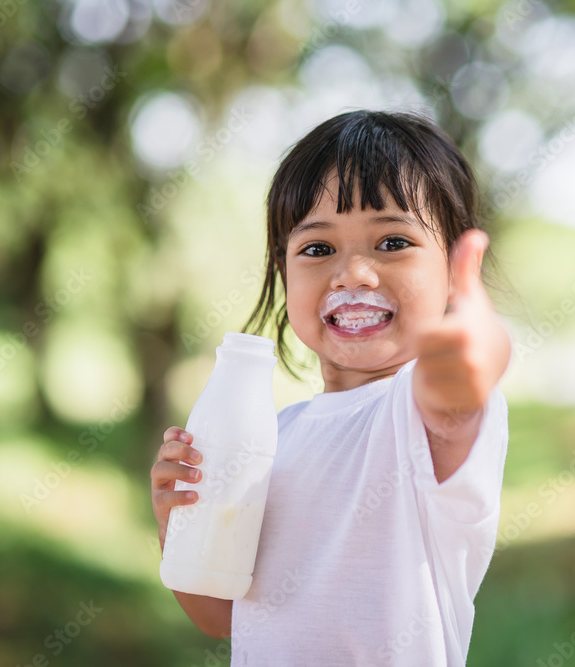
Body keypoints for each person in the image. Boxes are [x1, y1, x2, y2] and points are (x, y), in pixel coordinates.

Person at [150, 109, 514, 666]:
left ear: (450, 268)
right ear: (284, 270)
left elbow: (457, 394)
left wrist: (474, 347)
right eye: (318, 249)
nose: (353, 275)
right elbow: (221, 617)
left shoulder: (416, 415)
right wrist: (178, 528)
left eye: (392, 242)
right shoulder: (276, 435)